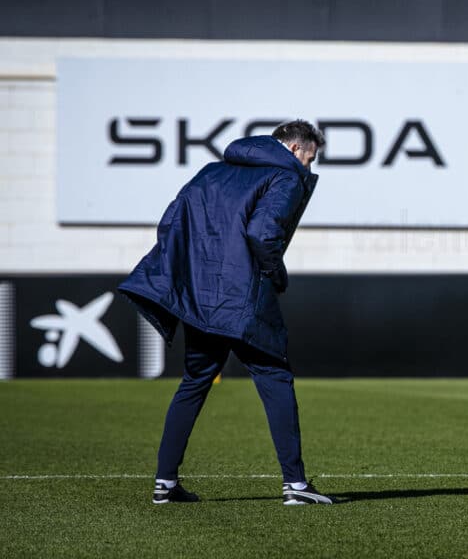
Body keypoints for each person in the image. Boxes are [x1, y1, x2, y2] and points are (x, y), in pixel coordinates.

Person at [119, 120, 336, 506]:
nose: (309, 167)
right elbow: (262, 233)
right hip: (243, 298)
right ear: (294, 150)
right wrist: (275, 272)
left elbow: (171, 222)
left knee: (194, 382)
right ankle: (296, 487)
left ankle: (165, 484)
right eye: (309, 158)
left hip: (203, 299)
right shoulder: (284, 177)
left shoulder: (211, 172)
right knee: (275, 377)